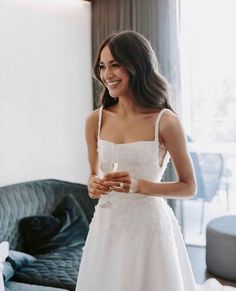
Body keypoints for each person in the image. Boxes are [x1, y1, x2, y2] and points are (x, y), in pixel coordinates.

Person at [75, 31, 235, 291]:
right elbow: (93, 175)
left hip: (149, 229)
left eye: (115, 64)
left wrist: (140, 186)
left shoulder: (166, 121)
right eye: (103, 66)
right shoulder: (95, 120)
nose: (107, 74)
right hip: (107, 227)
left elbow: (188, 186)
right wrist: (93, 185)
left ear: (137, 65)